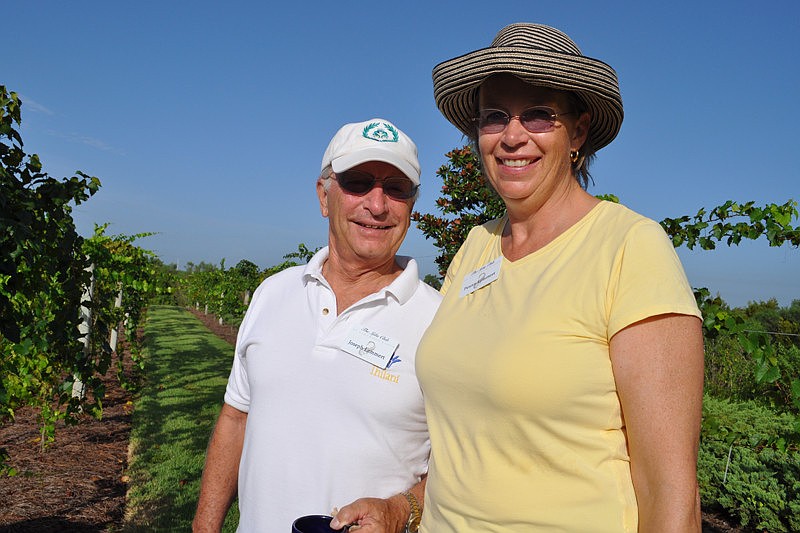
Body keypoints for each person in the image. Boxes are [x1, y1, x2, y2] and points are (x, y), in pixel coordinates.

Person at [416, 23, 705, 532]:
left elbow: (670, 492)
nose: (512, 135)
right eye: (494, 116)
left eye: (539, 115)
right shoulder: (475, 245)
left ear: (579, 131)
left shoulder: (628, 247)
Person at [192, 118, 441, 533]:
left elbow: (464, 468)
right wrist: (204, 526)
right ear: (324, 196)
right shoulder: (272, 294)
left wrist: (400, 511)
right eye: (358, 183)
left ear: (412, 206)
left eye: (396, 189)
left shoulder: (440, 321)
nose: (377, 205)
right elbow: (237, 417)